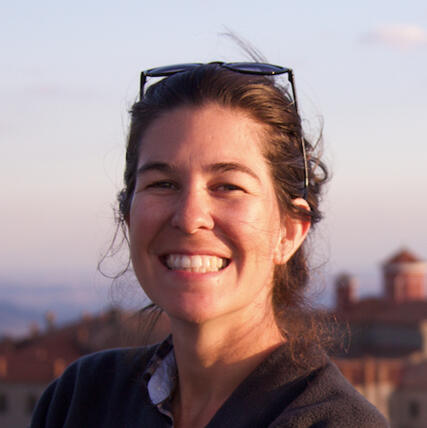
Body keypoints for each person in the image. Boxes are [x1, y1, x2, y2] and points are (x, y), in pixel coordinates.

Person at [30, 62, 388, 427]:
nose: (189, 217)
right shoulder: (80, 400)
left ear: (289, 231)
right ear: (128, 216)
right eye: (162, 184)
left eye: (228, 186)